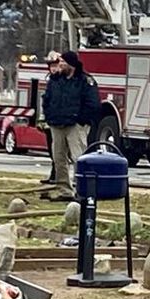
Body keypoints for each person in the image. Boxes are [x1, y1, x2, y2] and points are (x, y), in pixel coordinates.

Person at [42, 50, 99, 200]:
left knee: (79, 158)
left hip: (75, 126)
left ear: (71, 65)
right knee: (58, 158)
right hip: (56, 124)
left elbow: (92, 103)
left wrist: (81, 120)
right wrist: (49, 116)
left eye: (63, 62)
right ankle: (64, 190)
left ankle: (82, 190)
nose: (59, 65)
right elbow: (46, 99)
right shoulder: (54, 80)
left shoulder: (85, 81)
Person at [38, 51, 61, 184]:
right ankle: (53, 174)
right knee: (51, 150)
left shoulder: (62, 81)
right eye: (51, 66)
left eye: (55, 65)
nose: (53, 68)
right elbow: (46, 102)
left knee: (58, 151)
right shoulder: (51, 81)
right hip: (49, 121)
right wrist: (42, 119)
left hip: (58, 122)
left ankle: (57, 175)